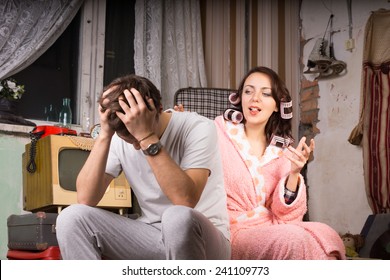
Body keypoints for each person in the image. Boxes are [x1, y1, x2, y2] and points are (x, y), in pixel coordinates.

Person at [175, 66, 346, 259]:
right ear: (240, 98)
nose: (255, 98)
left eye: (265, 94)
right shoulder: (215, 132)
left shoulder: (281, 152)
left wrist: (294, 172)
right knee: (293, 239)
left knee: (327, 234)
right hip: (229, 230)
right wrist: (182, 129)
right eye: (248, 91)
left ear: (276, 105)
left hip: (268, 227)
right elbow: (187, 165)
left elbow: (286, 216)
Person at [56, 74, 231, 260]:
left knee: (177, 217)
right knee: (71, 217)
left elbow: (185, 200)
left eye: (136, 139)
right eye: (129, 140)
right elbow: (86, 198)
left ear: (158, 109)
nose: (137, 146)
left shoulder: (199, 127)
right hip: (152, 235)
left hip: (203, 240)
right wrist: (105, 134)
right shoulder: (119, 135)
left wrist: (146, 137)